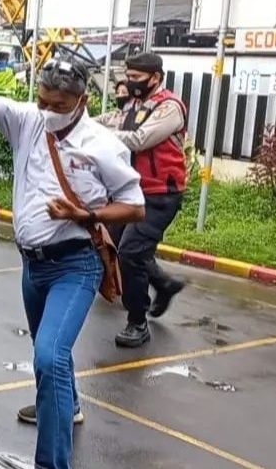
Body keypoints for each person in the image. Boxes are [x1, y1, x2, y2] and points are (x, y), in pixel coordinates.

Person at [0, 58, 145, 469]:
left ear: (81, 100)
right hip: (33, 266)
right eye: (43, 100)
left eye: (58, 105)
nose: (48, 111)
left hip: (76, 265)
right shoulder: (28, 121)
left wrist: (86, 216)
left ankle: (50, 463)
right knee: (49, 352)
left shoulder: (101, 144)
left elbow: (134, 207)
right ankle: (69, 404)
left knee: (48, 356)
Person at [94, 52, 188, 348]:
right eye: (128, 77)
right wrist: (79, 124)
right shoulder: (134, 105)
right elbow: (108, 119)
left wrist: (95, 134)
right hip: (130, 190)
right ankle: (164, 284)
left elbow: (139, 139)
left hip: (160, 194)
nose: (130, 83)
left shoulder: (169, 108)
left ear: (155, 78)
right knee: (117, 246)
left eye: (136, 78)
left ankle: (137, 322)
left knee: (131, 252)